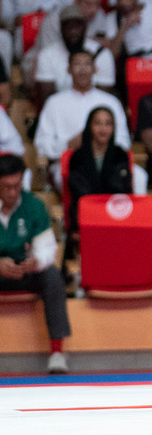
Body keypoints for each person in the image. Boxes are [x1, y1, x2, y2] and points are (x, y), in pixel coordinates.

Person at [0, 154, 69, 374]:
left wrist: (35, 261)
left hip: (26, 270)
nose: (12, 192)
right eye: (6, 187)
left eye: (17, 186)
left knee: (53, 276)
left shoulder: (34, 206)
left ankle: (57, 352)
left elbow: (47, 248)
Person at [34, 51, 131, 190]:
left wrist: (100, 143)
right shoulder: (54, 103)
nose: (83, 70)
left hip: (108, 161)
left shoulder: (111, 102)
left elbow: (124, 141)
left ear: (95, 69)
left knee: (138, 176)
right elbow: (42, 144)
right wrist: (68, 144)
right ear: (68, 69)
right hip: (69, 162)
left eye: (87, 64)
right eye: (77, 64)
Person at [66, 106, 133, 231]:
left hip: (114, 215)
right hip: (86, 214)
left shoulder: (120, 155)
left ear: (113, 128)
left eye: (108, 124)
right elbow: (78, 189)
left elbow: (122, 188)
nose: (103, 129)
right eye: (98, 123)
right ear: (90, 127)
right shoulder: (77, 156)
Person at [35, 5, 117, 105]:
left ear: (85, 26)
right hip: (60, 113)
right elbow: (48, 100)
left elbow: (103, 99)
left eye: (77, 26)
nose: (73, 31)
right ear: (61, 28)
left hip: (95, 114)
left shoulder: (102, 54)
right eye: (68, 26)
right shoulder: (47, 55)